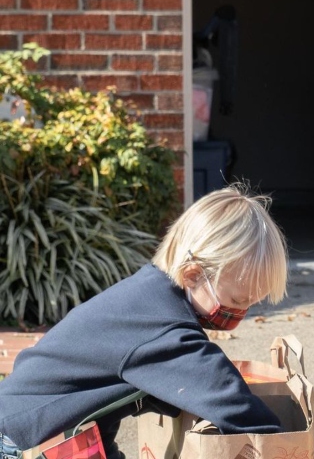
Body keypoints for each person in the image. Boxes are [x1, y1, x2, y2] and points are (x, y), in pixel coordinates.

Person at [0, 184, 289, 459]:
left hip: (47, 432)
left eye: (253, 302)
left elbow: (99, 410)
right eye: (237, 301)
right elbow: (236, 407)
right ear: (192, 275)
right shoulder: (162, 330)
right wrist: (285, 446)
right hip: (22, 443)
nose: (242, 312)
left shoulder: (147, 299)